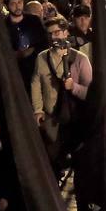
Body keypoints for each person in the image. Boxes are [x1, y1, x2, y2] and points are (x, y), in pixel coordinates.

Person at [30, 18, 92, 164]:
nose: (53, 37)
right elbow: (36, 83)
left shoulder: (80, 59)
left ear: (66, 32)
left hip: (75, 119)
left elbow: (91, 93)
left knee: (79, 159)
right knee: (53, 159)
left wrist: (74, 87)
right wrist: (38, 109)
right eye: (49, 33)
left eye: (57, 32)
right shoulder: (42, 57)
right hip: (52, 120)